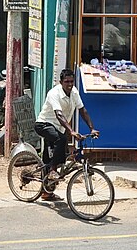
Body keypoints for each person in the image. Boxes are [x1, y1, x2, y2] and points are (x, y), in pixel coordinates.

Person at [34, 69, 98, 202]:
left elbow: (82, 110)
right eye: (66, 82)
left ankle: (47, 193)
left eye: (71, 81)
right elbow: (59, 114)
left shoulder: (74, 92)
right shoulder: (54, 93)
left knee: (53, 156)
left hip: (58, 128)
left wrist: (92, 128)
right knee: (61, 140)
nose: (69, 84)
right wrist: (71, 131)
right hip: (44, 124)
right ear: (61, 82)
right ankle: (52, 171)